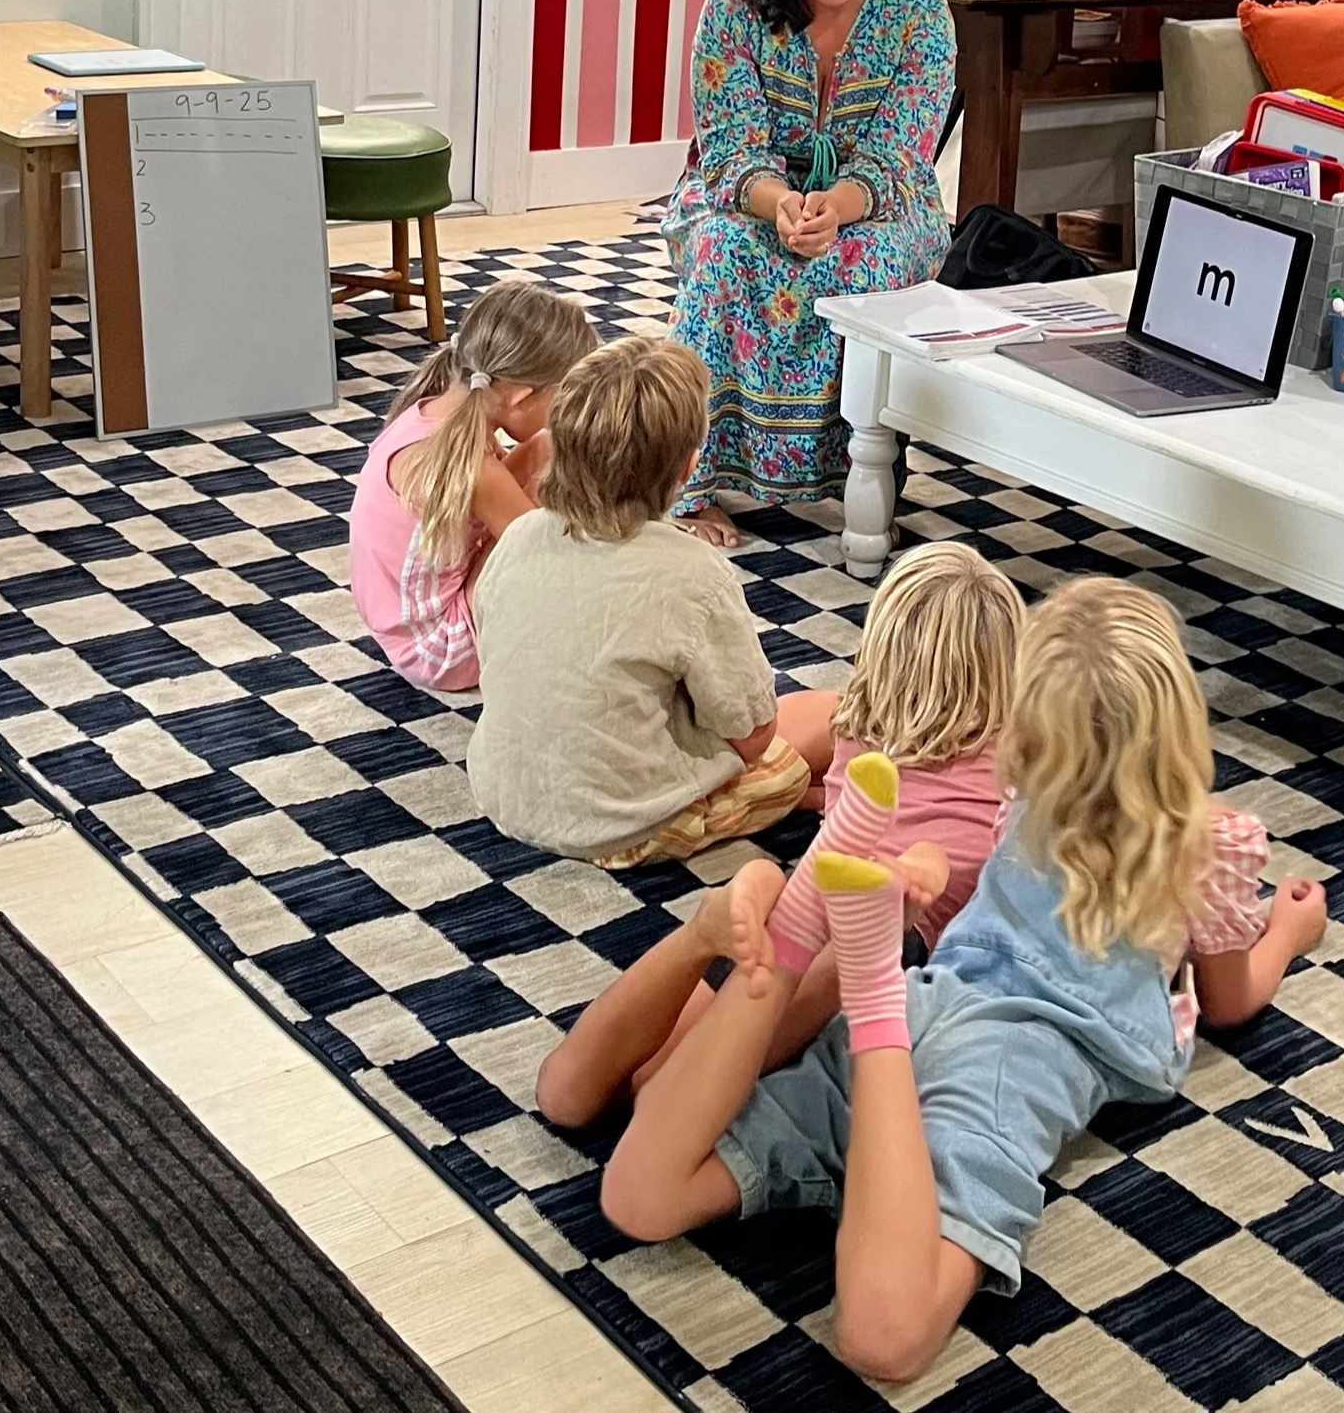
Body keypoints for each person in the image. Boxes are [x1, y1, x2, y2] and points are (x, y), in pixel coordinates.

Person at [595, 577, 1333, 1383]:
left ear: (1024, 730)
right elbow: (1230, 1002)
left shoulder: (1021, 794)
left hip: (934, 1004)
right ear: (1182, 726)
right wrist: (1287, 934)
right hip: (1010, 1073)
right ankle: (869, 981)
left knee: (639, 1199)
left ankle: (836, 953)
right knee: (886, 1336)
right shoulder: (1214, 844)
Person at [534, 540, 1025, 1128]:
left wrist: (805, 793)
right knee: (657, 1100)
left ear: (883, 644)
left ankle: (700, 935)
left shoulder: (860, 719)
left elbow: (796, 742)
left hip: (806, 905)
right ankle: (846, 935)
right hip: (880, 947)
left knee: (565, 1093)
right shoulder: (1028, 769)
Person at [663, 0, 956, 549]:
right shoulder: (734, 6)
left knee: (865, 261)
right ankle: (689, 482)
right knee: (727, 250)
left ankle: (862, 475)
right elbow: (730, 150)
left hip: (883, 206)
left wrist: (837, 208)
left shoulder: (922, 19)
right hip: (749, 195)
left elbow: (900, 157)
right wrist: (782, 205)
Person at [466, 336, 833, 866]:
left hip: (505, 795)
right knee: (834, 714)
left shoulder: (519, 535)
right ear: (687, 466)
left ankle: (793, 798)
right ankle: (794, 800)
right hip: (628, 825)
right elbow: (753, 734)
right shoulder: (695, 571)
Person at [348, 281, 597, 692]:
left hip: (400, 629)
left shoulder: (431, 414)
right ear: (520, 396)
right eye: (561, 398)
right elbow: (543, 553)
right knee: (553, 512)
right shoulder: (475, 469)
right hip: (441, 649)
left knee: (546, 449)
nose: (562, 412)